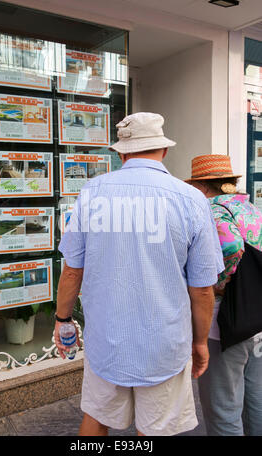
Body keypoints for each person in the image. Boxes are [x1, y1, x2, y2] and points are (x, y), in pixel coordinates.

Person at [54, 113, 224, 436]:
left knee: (96, 418)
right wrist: (200, 342)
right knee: (155, 429)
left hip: (105, 341)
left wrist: (63, 319)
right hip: (165, 346)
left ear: (121, 153)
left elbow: (72, 271)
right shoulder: (191, 200)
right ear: (163, 151)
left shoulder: (92, 193)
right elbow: (203, 289)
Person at [186, 154, 262, 436]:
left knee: (223, 407)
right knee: (256, 399)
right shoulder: (249, 207)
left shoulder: (212, 209)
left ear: (202, 186)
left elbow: (230, 246)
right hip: (256, 316)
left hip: (226, 320)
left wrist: (219, 281)